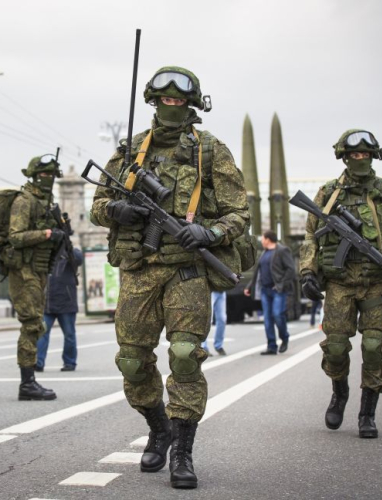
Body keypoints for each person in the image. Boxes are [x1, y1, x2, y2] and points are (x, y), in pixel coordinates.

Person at [90, 66, 249, 489]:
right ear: (153, 101)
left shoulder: (210, 150)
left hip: (187, 270)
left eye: (179, 100)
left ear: (192, 104)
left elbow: (240, 213)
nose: (171, 105)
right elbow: (98, 202)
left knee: (183, 354)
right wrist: (115, 211)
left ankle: (182, 450)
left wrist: (210, 232)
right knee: (132, 361)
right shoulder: (130, 151)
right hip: (138, 270)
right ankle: (158, 426)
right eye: (164, 99)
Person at [298, 129, 382, 439]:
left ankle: (367, 413)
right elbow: (311, 235)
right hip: (340, 284)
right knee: (335, 348)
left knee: (373, 347)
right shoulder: (328, 193)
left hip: (377, 283)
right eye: (354, 155)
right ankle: (339, 392)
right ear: (344, 157)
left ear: (373, 156)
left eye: (365, 155)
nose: (360, 159)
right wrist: (307, 271)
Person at [6, 154, 64, 401]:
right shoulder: (24, 201)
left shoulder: (47, 203)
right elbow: (15, 236)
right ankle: (27, 383)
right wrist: (46, 233)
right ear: (32, 175)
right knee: (31, 324)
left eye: (52, 175)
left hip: (39, 270)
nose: (48, 180)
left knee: (36, 324)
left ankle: (29, 381)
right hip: (24, 271)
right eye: (43, 175)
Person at [245, 230, 296, 354]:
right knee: (267, 319)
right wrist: (249, 286)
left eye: (262, 238)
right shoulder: (264, 253)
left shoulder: (282, 251)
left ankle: (284, 338)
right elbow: (258, 272)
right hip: (265, 290)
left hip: (277, 290)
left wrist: (281, 285)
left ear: (268, 239)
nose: (261, 241)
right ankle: (271, 346)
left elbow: (291, 269)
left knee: (278, 315)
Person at [36, 246, 83, 371]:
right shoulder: (45, 251)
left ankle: (70, 362)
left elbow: (79, 259)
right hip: (47, 303)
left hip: (66, 302)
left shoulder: (70, 251)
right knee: (42, 333)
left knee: (69, 335)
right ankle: (38, 363)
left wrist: (65, 245)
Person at [202, 291, 228, 355]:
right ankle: (203, 346)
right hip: (209, 290)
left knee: (222, 319)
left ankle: (218, 346)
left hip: (221, 289)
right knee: (208, 318)